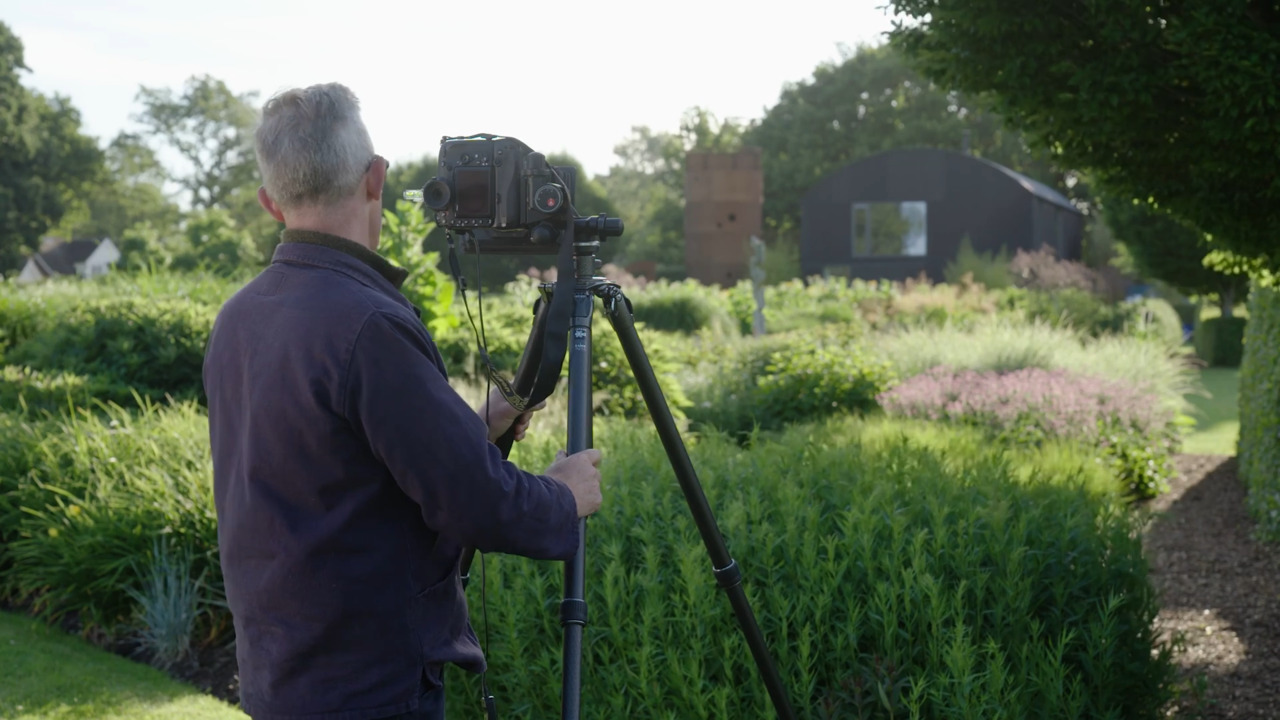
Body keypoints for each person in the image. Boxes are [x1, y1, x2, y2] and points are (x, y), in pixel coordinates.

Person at [203, 82, 603, 720]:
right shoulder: (366, 321)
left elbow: (340, 468)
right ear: (377, 178)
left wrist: (482, 423)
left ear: (269, 203)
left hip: (281, 676)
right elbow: (472, 500)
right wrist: (562, 495)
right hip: (369, 689)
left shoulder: (240, 316)